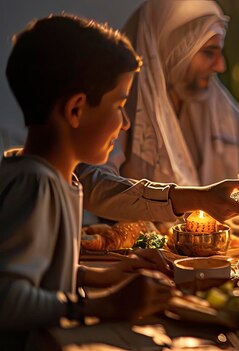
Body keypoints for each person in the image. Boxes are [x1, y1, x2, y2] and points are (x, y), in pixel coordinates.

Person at [0, 15, 176, 350]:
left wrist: (106, 275)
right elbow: (7, 298)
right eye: (120, 105)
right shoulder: (38, 186)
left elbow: (45, 276)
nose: (124, 123)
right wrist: (103, 304)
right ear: (77, 109)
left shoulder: (51, 177)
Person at [108, 0, 239, 185]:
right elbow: (98, 184)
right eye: (209, 53)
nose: (221, 66)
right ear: (173, 50)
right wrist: (170, 202)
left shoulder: (215, 101)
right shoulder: (121, 106)